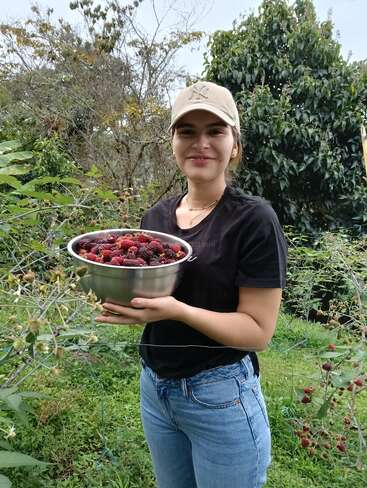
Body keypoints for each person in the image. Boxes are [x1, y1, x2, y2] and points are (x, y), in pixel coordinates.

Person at [96, 80, 288, 488]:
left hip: (220, 394)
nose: (200, 142)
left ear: (234, 144)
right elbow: (149, 295)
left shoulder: (254, 220)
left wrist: (176, 310)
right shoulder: (156, 219)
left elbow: (258, 332)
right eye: (187, 131)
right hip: (155, 387)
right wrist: (124, 300)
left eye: (215, 131)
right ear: (172, 143)